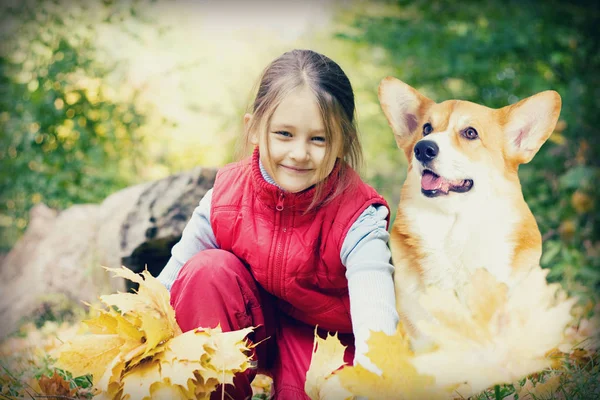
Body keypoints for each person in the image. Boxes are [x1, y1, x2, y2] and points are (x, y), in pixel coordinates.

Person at [157, 49, 398, 399]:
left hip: (326, 340)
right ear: (254, 128)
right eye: (285, 134)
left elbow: (375, 311)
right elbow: (171, 281)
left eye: (319, 139)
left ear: (343, 142)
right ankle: (211, 391)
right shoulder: (225, 197)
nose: (300, 153)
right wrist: (134, 339)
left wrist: (374, 377)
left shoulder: (358, 217)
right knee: (207, 270)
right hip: (253, 325)